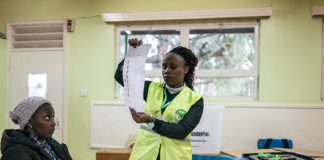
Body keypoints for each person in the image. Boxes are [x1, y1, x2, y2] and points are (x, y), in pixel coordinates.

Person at [115, 39, 204, 160]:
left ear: (186, 69)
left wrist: (151, 120)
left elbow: (181, 131)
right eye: (164, 66)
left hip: (174, 155)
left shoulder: (195, 100)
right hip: (145, 154)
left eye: (173, 67)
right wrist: (133, 54)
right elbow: (120, 76)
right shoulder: (151, 89)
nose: (167, 71)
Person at [1, 96, 73, 160]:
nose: (53, 123)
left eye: (53, 117)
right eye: (47, 117)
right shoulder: (15, 152)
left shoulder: (52, 143)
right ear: (29, 122)